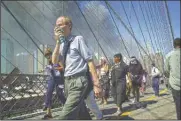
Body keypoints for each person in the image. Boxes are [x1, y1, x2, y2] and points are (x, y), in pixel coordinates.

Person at [52, 16, 102, 119]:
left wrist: (96, 83)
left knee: (65, 115)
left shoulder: (78, 39)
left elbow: (90, 61)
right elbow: (54, 61)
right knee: (80, 112)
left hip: (79, 80)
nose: (58, 27)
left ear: (69, 26)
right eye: (57, 25)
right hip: (67, 82)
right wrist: (57, 42)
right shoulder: (61, 44)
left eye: (61, 24)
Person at [41, 48, 66, 119]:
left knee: (60, 94)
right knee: (48, 92)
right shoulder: (49, 61)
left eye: (48, 55)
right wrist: (46, 68)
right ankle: (48, 112)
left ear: (51, 54)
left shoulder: (57, 59)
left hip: (59, 78)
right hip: (52, 78)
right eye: (46, 56)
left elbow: (63, 68)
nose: (47, 57)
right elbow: (50, 69)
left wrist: (54, 68)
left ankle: (67, 107)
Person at [164, 38, 180, 120]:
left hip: (175, 84)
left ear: (174, 45)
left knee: (178, 105)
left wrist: (170, 76)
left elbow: (166, 71)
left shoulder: (169, 56)